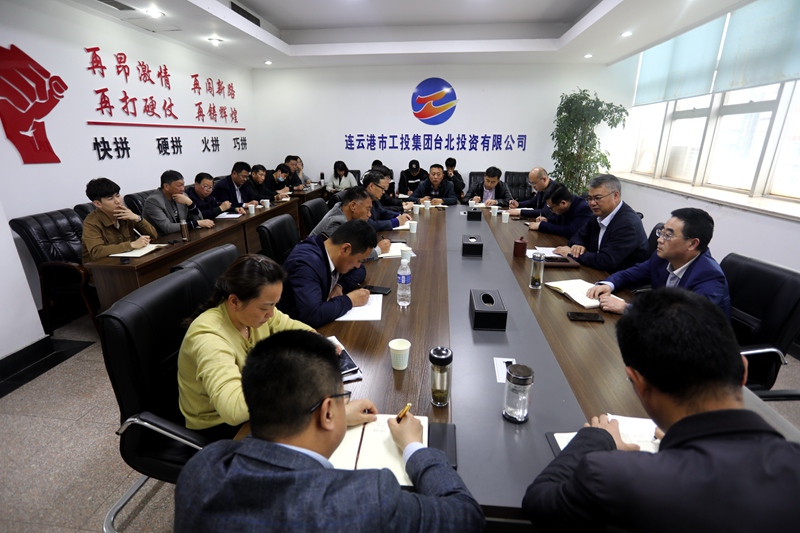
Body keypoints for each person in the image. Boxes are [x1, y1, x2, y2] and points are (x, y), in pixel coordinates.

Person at [522, 288, 800, 532]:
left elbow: (539, 501)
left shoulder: (611, 476)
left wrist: (596, 438)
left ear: (638, 383)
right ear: (743, 370)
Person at [174, 330, 486, 533]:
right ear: (326, 412)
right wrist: (415, 448)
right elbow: (467, 518)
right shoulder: (366, 501)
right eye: (341, 398)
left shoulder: (200, 469)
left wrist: (336, 413)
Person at [178, 255, 314, 441]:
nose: (271, 313)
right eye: (266, 307)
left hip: (252, 406)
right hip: (220, 428)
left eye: (275, 304)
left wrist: (319, 343)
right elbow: (233, 409)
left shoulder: (255, 313)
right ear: (234, 302)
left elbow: (296, 329)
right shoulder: (209, 338)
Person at [587, 207, 731, 316]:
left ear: (692, 244)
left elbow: (684, 319)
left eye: (668, 235)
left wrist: (627, 308)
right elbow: (632, 273)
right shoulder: (661, 258)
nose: (660, 240)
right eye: (661, 233)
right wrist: (608, 284)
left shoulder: (709, 277)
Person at [280, 220, 376, 328]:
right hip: (292, 331)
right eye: (359, 260)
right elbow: (313, 315)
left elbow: (360, 270)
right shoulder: (306, 264)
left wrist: (340, 285)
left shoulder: (328, 249)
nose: (358, 265)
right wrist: (349, 300)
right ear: (345, 249)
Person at [554, 174, 648, 273]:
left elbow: (607, 261)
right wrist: (577, 245)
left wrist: (572, 254)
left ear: (616, 196)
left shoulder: (627, 224)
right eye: (589, 198)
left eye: (597, 198)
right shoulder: (598, 215)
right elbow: (578, 236)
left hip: (619, 278)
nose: (592, 203)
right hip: (597, 272)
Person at [81, 177, 158, 263]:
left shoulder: (125, 213)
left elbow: (154, 236)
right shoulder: (91, 222)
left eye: (118, 196)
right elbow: (96, 252)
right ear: (98, 204)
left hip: (128, 262)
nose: (118, 201)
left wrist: (138, 218)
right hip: (102, 267)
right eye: (110, 199)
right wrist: (131, 245)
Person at [310, 186, 390, 259]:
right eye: (367, 209)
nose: (369, 214)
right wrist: (378, 250)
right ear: (353, 206)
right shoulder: (336, 223)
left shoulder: (341, 208)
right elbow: (348, 255)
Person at [143, 170, 215, 236]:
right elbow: (167, 228)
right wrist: (196, 223)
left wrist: (190, 204)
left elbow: (200, 219)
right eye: (179, 186)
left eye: (183, 185)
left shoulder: (183, 196)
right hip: (161, 240)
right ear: (166, 186)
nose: (183, 189)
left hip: (180, 235)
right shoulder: (153, 201)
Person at [525, 182, 593, 239]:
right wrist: (547, 220)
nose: (551, 210)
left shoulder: (584, 209)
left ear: (563, 203)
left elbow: (570, 231)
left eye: (552, 208)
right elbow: (558, 218)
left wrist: (541, 226)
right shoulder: (568, 202)